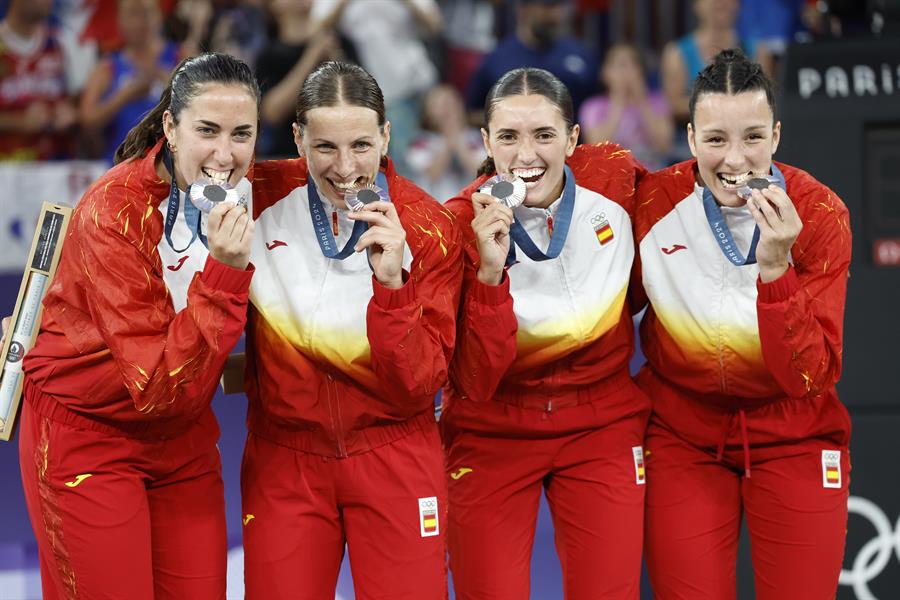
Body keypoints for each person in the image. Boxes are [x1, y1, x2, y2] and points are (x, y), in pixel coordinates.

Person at [18, 52, 258, 599]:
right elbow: (155, 386)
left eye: (242, 133)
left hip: (185, 438)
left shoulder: (255, 191)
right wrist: (224, 272)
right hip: (90, 435)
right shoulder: (113, 209)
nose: (225, 153)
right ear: (171, 127)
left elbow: (336, 174)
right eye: (207, 131)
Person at [633, 48, 851, 599]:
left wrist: (776, 270)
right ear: (689, 139)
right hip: (684, 436)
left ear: (776, 136)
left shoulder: (821, 215)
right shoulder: (652, 202)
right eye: (715, 140)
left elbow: (813, 376)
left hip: (795, 433)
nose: (735, 160)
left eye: (753, 137)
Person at [242, 60, 462, 599]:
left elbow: (418, 383)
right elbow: (163, 193)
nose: (345, 168)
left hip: (395, 452)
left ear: (388, 134)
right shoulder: (258, 200)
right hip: (284, 459)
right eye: (324, 148)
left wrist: (392, 288)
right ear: (297, 138)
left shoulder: (429, 227)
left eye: (362, 145)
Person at [442, 67, 649, 599]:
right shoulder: (456, 224)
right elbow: (472, 378)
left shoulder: (616, 181)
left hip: (601, 426)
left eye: (544, 135)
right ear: (485, 141)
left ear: (574, 139)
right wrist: (489, 276)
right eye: (508, 136)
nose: (526, 154)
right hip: (492, 429)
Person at [464, 0, 597, 126]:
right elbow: (472, 114)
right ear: (522, 9)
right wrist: (512, 117)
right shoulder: (497, 59)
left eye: (559, 6)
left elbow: (601, 105)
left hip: (576, 146)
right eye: (547, 7)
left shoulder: (580, 54)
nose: (556, 15)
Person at [79, 0, 181, 162]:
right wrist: (124, 96)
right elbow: (88, 120)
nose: (142, 21)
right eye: (134, 13)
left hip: (170, 164)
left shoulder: (181, 56)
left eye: (148, 12)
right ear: (120, 20)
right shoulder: (108, 66)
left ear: (159, 15)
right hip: (123, 165)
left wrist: (169, 83)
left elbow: (205, 106)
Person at [0, 0, 78, 160]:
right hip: (7, 169)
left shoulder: (60, 42)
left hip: (55, 168)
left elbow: (76, 102)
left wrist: (70, 114)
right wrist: (19, 122)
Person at [580, 42, 673, 171]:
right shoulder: (593, 106)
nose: (625, 71)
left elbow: (664, 146)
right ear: (605, 73)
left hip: (651, 175)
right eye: (618, 65)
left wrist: (642, 101)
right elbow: (596, 148)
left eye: (631, 64)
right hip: (610, 176)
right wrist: (617, 101)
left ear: (641, 71)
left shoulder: (657, 102)